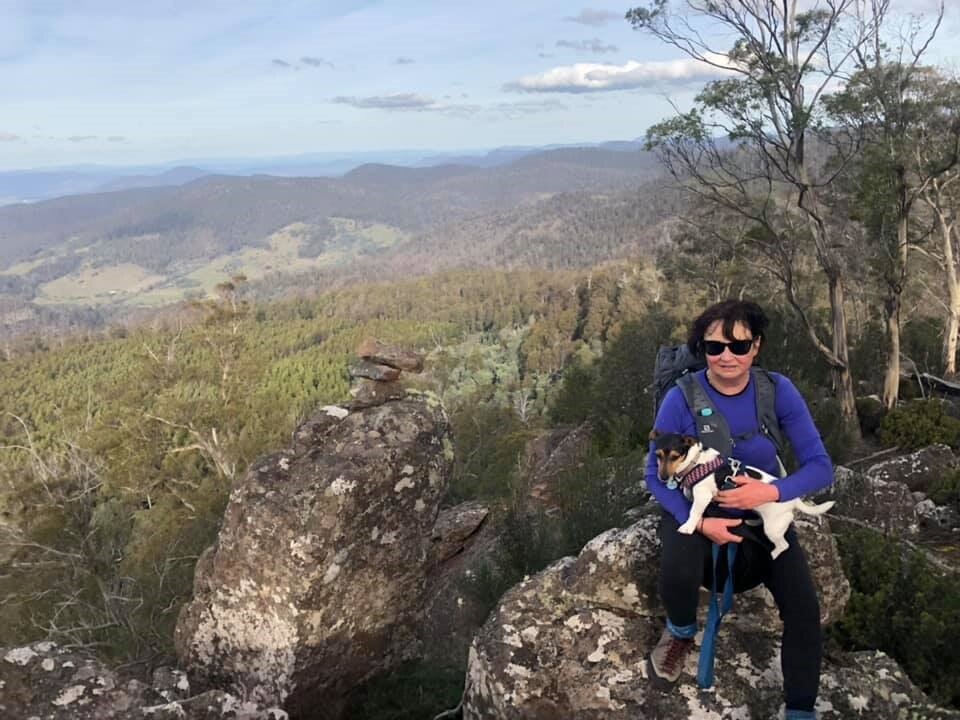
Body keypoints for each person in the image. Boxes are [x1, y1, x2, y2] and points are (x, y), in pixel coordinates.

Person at [644, 299, 833, 720]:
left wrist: (771, 493)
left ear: (756, 347)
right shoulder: (681, 398)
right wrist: (703, 521)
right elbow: (655, 476)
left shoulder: (777, 391)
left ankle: (800, 710)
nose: (726, 355)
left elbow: (821, 468)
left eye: (738, 345)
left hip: (762, 517)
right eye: (714, 347)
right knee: (678, 566)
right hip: (698, 510)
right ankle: (679, 633)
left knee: (804, 610)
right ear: (701, 350)